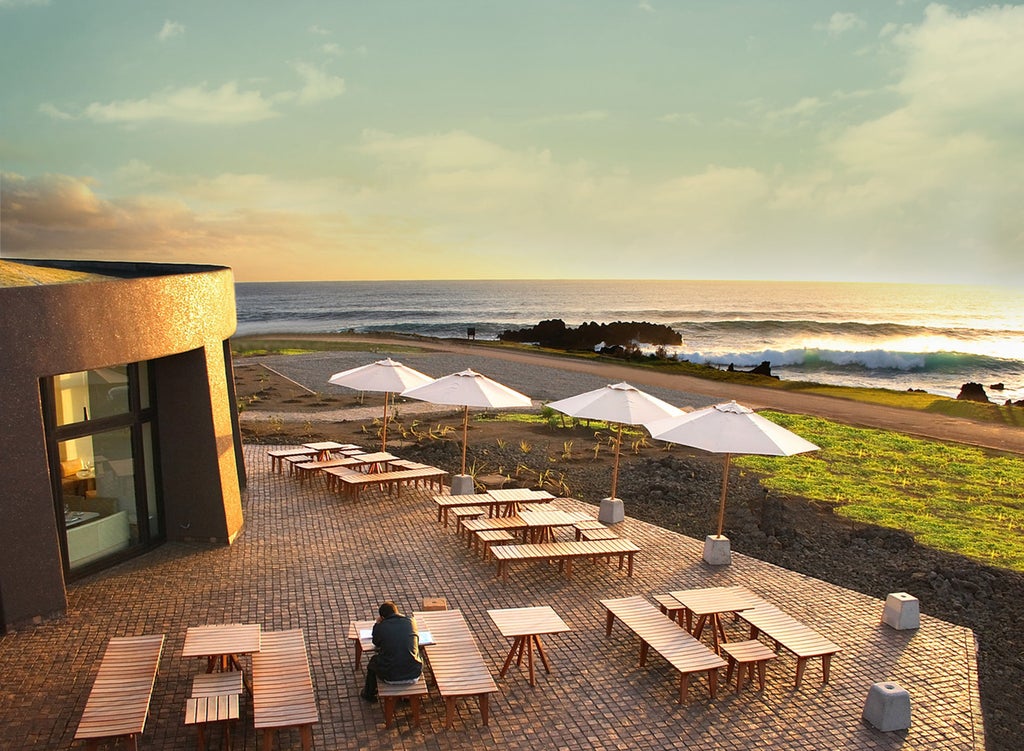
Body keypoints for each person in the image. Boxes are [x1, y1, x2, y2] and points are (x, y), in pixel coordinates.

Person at [361, 601, 423, 701]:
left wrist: (377, 624)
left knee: (373, 661)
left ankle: (369, 693)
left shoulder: (382, 627)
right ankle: (406, 697)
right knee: (416, 654)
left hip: (391, 676)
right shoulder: (411, 621)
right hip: (414, 673)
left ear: (382, 617)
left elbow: (376, 642)